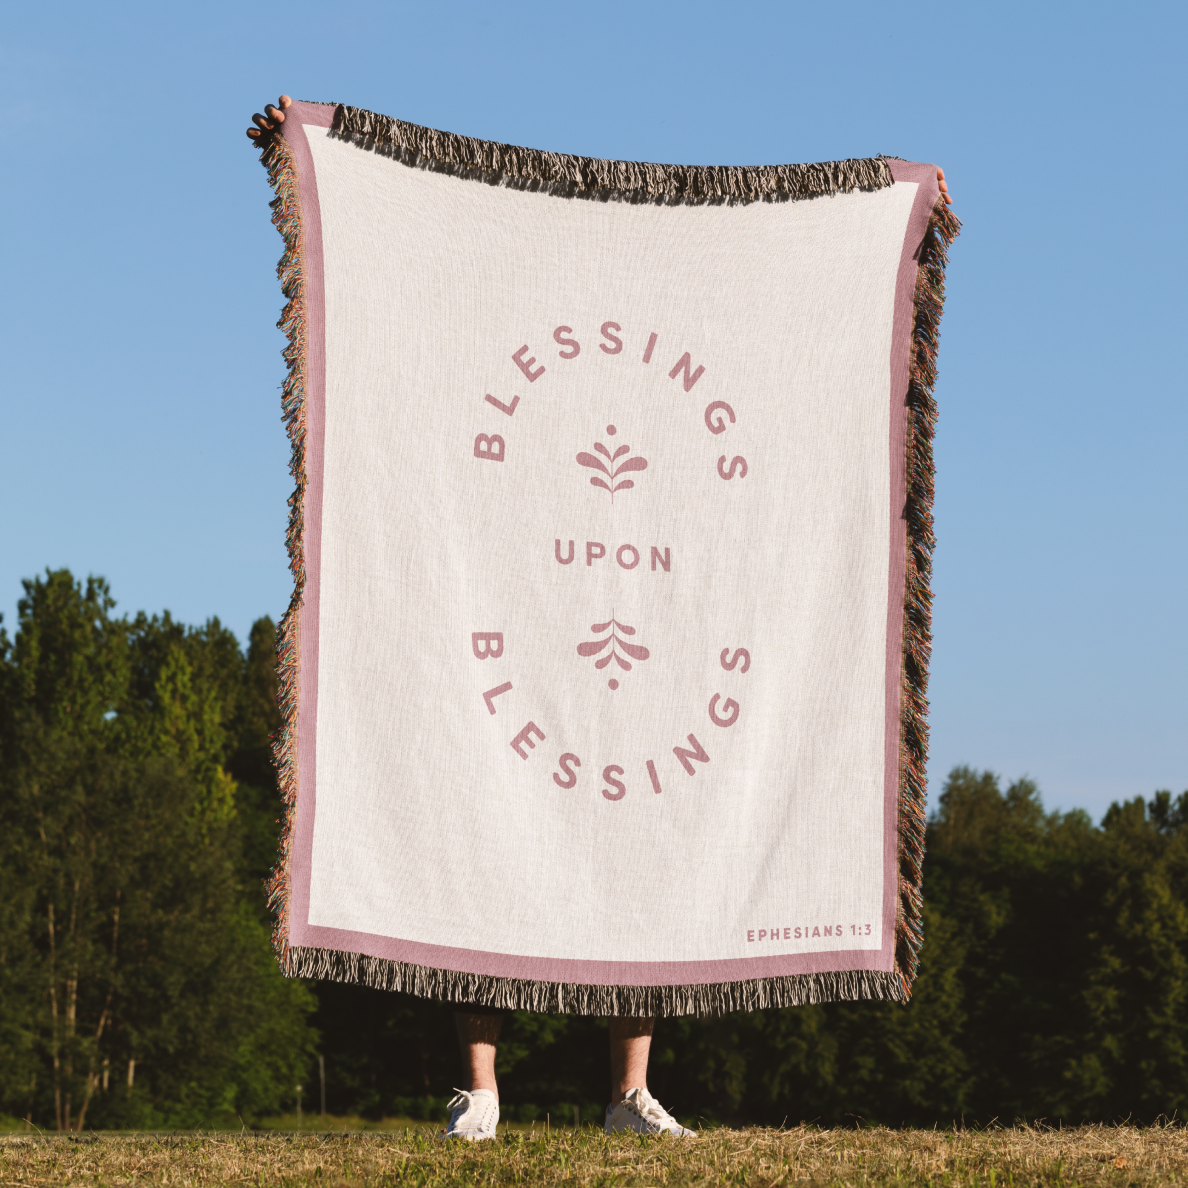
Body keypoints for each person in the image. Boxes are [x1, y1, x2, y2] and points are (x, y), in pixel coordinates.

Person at [245, 94, 951, 1141]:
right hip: (531, 623)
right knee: (478, 834)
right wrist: (307, 133)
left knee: (643, 850)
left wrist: (902, 206)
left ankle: (629, 1092)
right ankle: (479, 1090)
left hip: (633, 640)